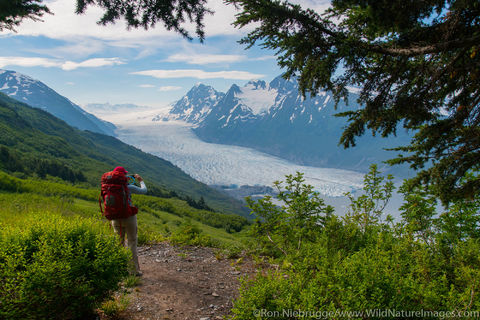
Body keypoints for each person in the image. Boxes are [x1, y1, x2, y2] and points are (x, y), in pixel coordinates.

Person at [110, 166, 147, 276]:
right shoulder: (128, 187)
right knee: (132, 242)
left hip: (115, 218)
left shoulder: (109, 187)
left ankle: (119, 269)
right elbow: (144, 191)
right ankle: (134, 271)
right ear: (123, 175)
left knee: (119, 243)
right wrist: (141, 181)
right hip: (129, 217)